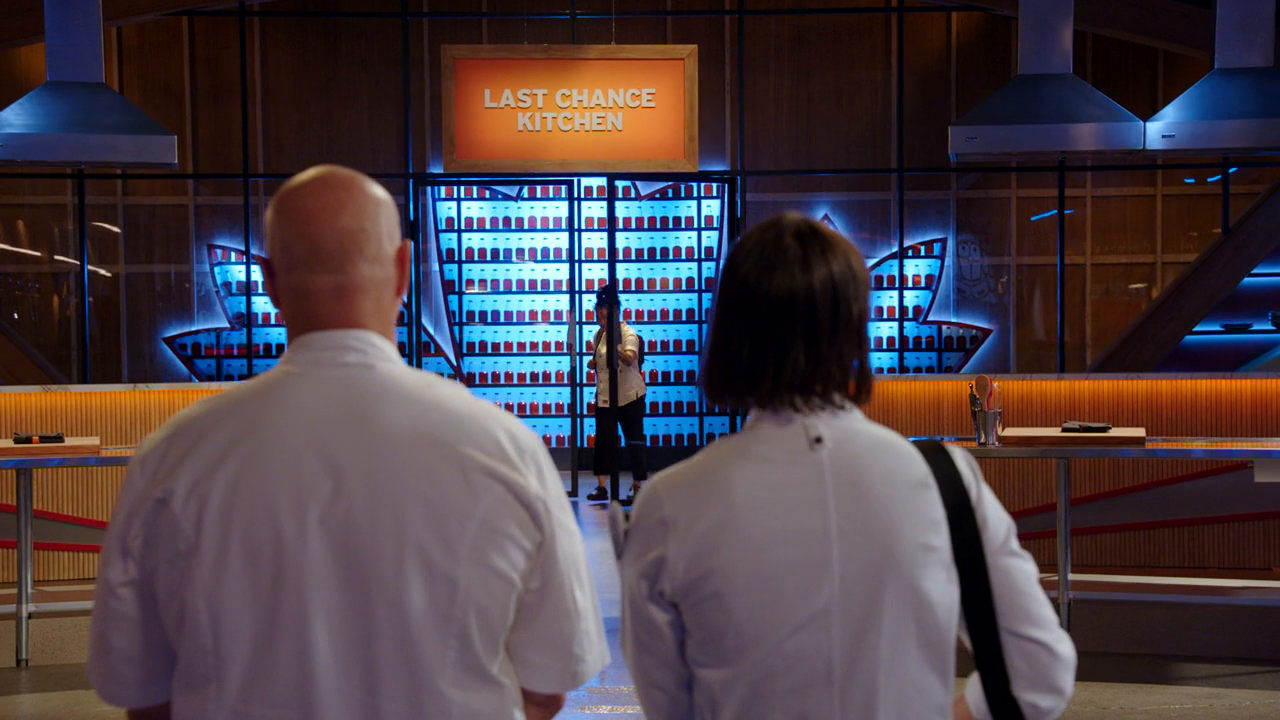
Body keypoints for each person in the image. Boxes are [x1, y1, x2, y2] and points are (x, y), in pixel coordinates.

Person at [87, 165, 608, 720]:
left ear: (269, 281)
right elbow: (549, 685)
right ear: (403, 269)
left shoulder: (174, 457)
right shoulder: (505, 448)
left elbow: (143, 695)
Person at [619, 213, 1076, 720]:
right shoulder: (944, 480)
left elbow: (670, 703)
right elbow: (1039, 672)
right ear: (855, 328)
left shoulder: (670, 502)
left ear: (728, 332)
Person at [585, 282, 649, 505]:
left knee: (634, 441)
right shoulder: (598, 335)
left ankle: (637, 484)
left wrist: (617, 348)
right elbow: (599, 358)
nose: (601, 319)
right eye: (598, 314)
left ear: (615, 312)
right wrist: (593, 362)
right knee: (603, 441)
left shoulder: (628, 334)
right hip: (605, 395)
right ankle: (602, 486)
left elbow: (630, 357)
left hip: (629, 395)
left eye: (604, 314)